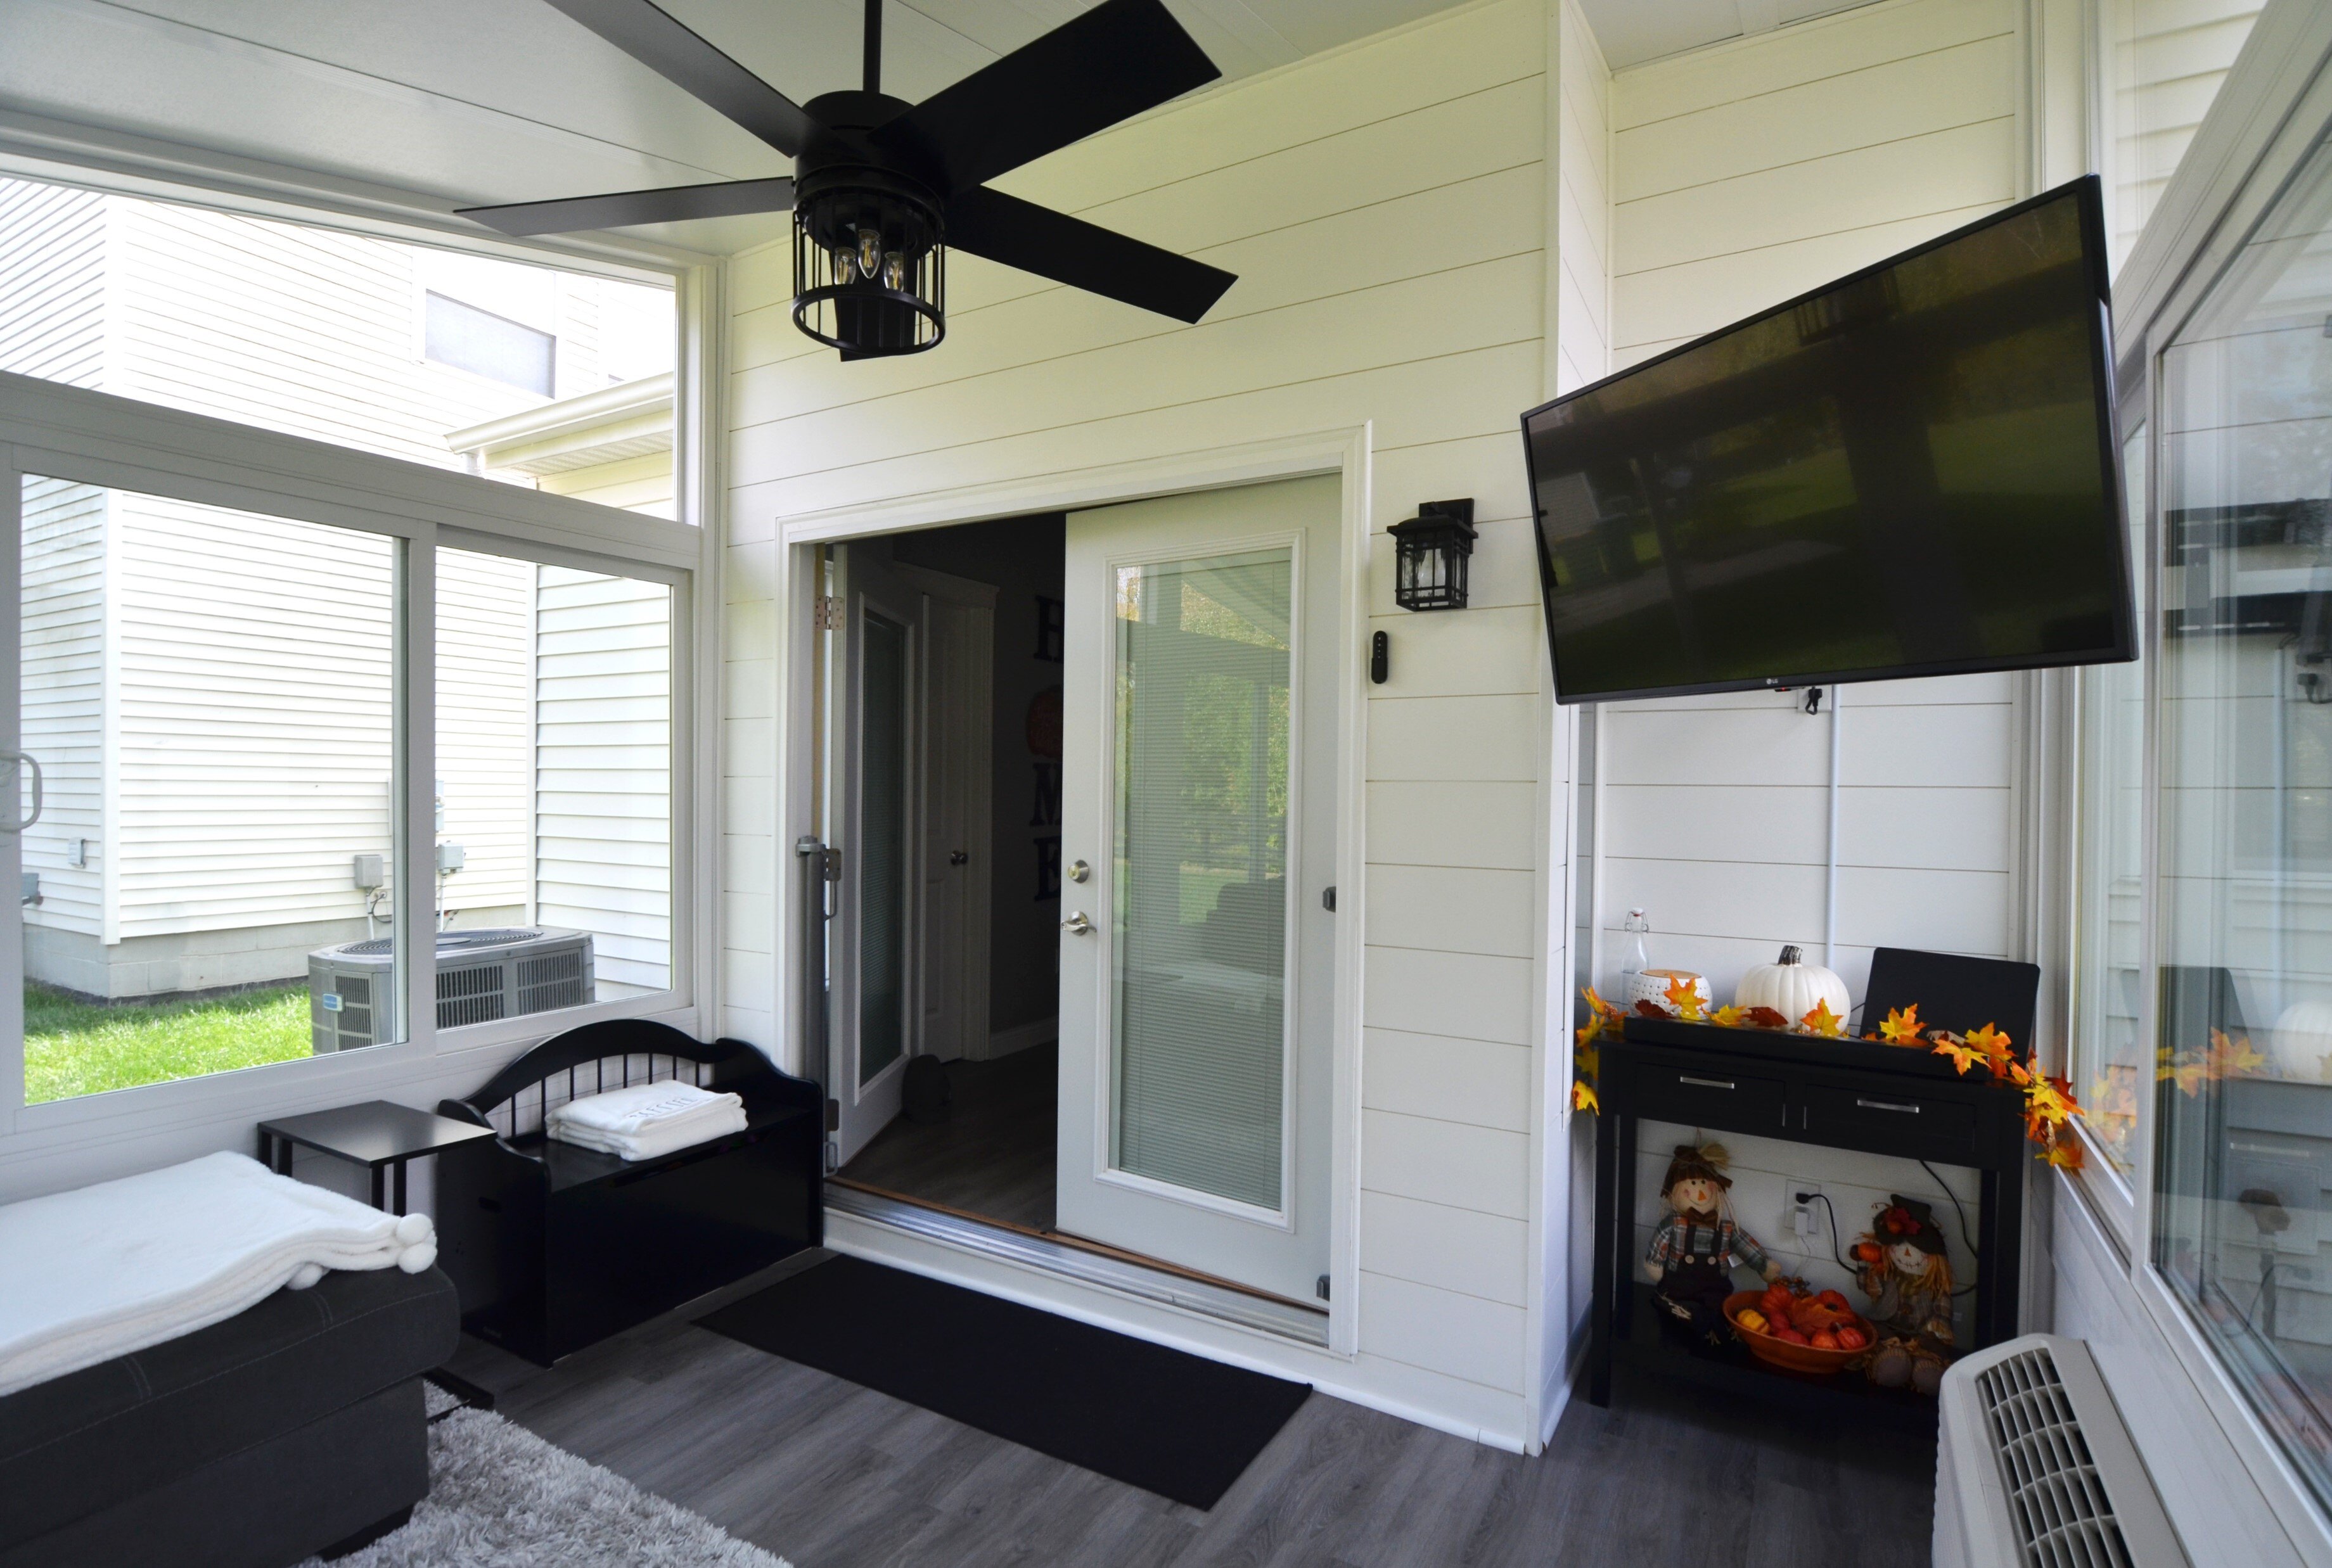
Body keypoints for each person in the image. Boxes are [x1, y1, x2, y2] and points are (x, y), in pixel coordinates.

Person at [1643, 1142, 1782, 1346]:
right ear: (1675, 1191)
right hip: (1677, 1293)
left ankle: (1708, 1330)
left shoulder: (1725, 1228)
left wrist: (1764, 1265)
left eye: (1703, 1183)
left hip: (1715, 1295)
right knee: (1677, 1319)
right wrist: (1654, 1264)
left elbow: (1745, 1246)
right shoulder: (1673, 1225)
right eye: (1692, 1185)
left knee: (1718, 1317)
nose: (1700, 1193)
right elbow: (1658, 1248)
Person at [1854, 1195, 1956, 1394]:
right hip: (1887, 1330)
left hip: (1922, 1337)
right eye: (1900, 1249)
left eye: (1917, 1251)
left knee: (1929, 1361)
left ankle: (1924, 1365)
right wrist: (1864, 1264)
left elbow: (1942, 1312)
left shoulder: (1934, 1287)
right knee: (1891, 1363)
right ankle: (1893, 1360)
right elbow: (1867, 1286)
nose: (1907, 1255)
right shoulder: (1887, 1274)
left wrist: (1939, 1324)